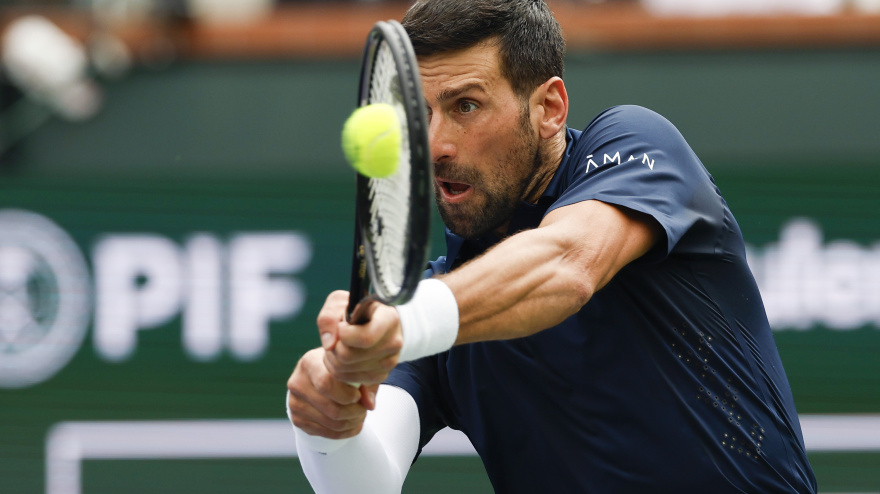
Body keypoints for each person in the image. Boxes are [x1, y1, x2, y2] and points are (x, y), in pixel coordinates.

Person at [286, 0, 818, 492]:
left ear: (550, 108)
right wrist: (329, 424)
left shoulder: (636, 145)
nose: (435, 145)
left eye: (466, 106)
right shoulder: (436, 305)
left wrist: (400, 325)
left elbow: (566, 263)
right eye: (418, 113)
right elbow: (365, 483)